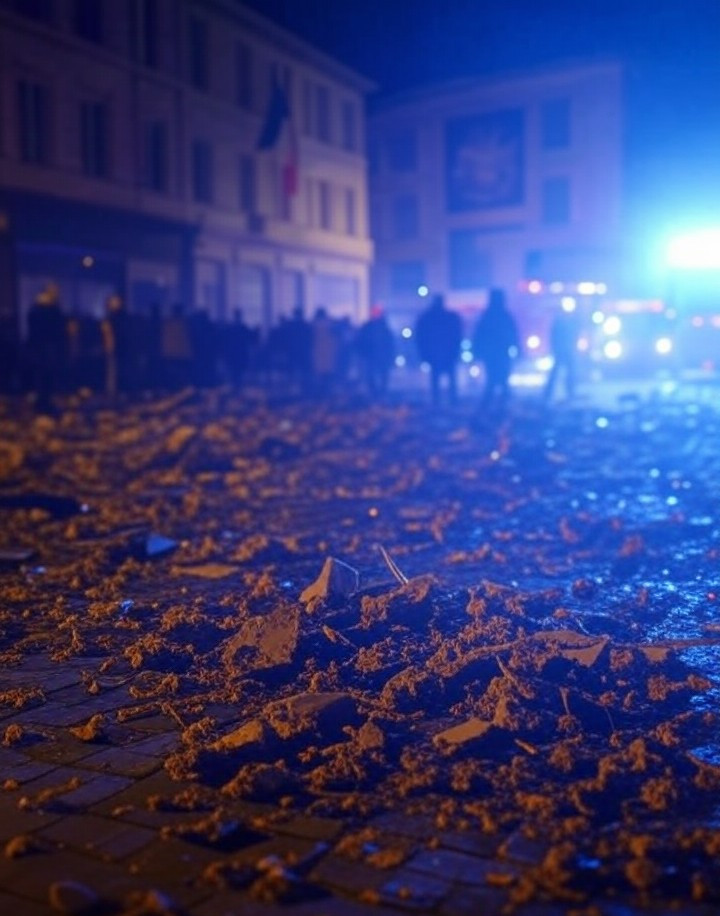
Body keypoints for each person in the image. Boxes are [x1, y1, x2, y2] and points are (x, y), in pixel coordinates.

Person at [472, 288, 519, 410]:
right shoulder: (504, 316)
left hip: (492, 354)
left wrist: (477, 351)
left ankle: (489, 406)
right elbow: (513, 334)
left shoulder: (487, 316)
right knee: (501, 380)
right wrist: (518, 349)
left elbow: (479, 335)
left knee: (493, 380)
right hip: (501, 353)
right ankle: (500, 406)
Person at [414, 293, 463, 405]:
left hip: (435, 355)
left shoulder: (427, 318)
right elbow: (457, 335)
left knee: (436, 379)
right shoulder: (450, 317)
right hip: (447, 354)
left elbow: (421, 338)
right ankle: (452, 401)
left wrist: (424, 354)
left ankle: (438, 402)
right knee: (449, 379)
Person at [26, 284, 67, 413]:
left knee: (47, 377)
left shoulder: (48, 310)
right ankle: (43, 404)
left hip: (47, 348)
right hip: (43, 348)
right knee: (43, 377)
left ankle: (45, 403)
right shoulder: (42, 310)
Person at [544, 299, 581, 403]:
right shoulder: (560, 321)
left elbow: (575, 334)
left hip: (567, 350)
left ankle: (569, 392)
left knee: (569, 372)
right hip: (561, 350)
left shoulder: (572, 320)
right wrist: (555, 348)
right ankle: (548, 393)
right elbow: (554, 336)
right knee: (557, 372)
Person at [356, 305, 395, 397]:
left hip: (380, 355)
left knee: (381, 375)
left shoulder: (383, 327)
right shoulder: (370, 327)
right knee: (372, 375)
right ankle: (375, 393)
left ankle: (380, 392)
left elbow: (389, 343)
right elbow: (361, 341)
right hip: (371, 355)